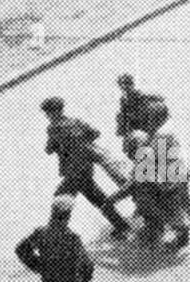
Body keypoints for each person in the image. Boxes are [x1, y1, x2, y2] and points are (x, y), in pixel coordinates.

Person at [42, 97, 129, 237]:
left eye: (47, 113)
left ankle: (56, 236)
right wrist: (80, 143)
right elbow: (95, 133)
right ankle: (121, 225)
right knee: (97, 198)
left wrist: (64, 147)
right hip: (86, 168)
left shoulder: (53, 128)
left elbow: (49, 149)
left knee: (61, 199)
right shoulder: (76, 122)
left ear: (53, 112)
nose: (47, 116)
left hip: (72, 173)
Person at [114, 74, 168, 138]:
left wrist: (156, 98)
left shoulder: (135, 94)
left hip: (143, 116)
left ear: (131, 84)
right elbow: (123, 112)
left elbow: (145, 97)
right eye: (122, 85)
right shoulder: (123, 99)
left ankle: (151, 133)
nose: (124, 87)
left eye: (127, 84)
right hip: (135, 119)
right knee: (120, 116)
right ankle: (127, 134)